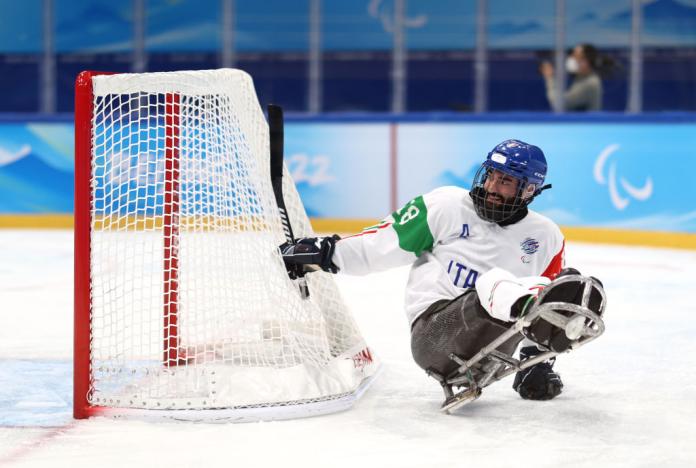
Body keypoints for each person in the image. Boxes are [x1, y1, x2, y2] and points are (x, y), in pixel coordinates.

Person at [281, 139, 605, 406]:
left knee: (551, 284)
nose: (492, 186)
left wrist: (536, 362)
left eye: (506, 181)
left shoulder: (546, 236)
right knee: (493, 281)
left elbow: (547, 296)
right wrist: (324, 253)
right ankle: (536, 308)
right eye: (491, 174)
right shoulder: (446, 206)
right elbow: (380, 245)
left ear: (529, 191)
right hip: (434, 338)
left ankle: (546, 321)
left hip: (496, 353)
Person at [541, 44, 605, 112]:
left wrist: (550, 78)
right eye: (571, 56)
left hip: (585, 122)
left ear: (586, 61)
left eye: (576, 56)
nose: (571, 59)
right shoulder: (581, 78)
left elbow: (558, 103)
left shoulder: (590, 83)